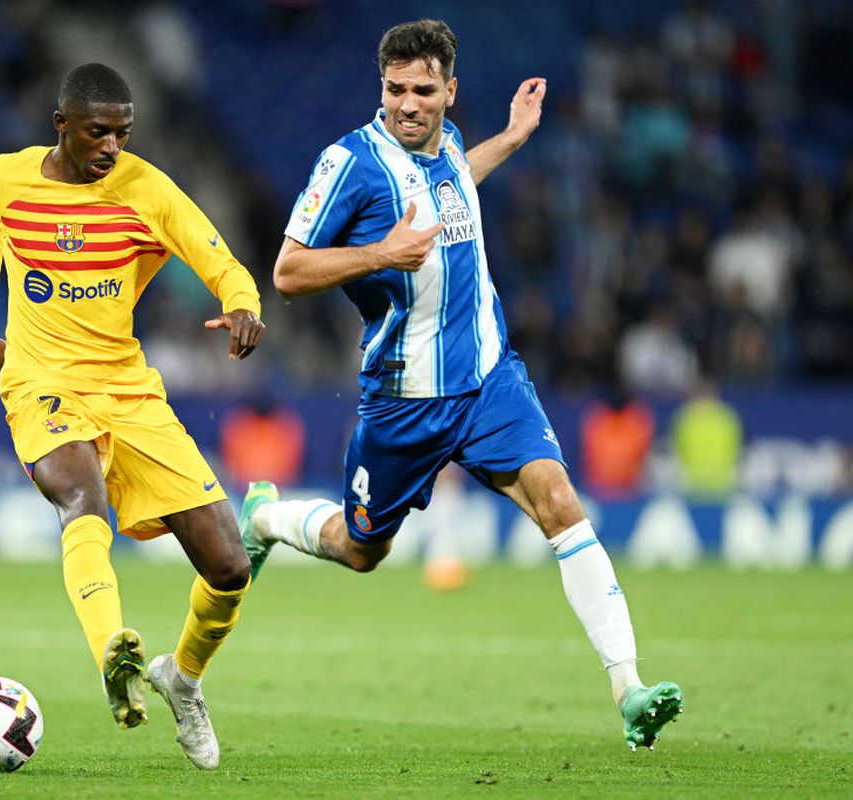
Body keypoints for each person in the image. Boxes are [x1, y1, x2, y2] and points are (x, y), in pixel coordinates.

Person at [238, 20, 682, 750]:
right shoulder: (349, 163)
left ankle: (628, 687)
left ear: (450, 91)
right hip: (403, 402)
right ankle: (264, 520)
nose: (407, 104)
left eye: (422, 90)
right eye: (394, 90)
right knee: (360, 550)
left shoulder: (446, 144)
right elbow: (287, 272)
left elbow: (453, 185)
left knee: (561, 504)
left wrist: (511, 136)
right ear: (380, 88)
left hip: (489, 379)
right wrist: (380, 252)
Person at [0, 63, 264, 770]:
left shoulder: (145, 189)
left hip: (128, 389)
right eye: (98, 131)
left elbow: (216, 256)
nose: (111, 146)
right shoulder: (3, 179)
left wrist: (245, 302)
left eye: (123, 133)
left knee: (227, 566)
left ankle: (182, 679)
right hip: (41, 380)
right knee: (80, 495)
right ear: (61, 124)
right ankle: (112, 648)